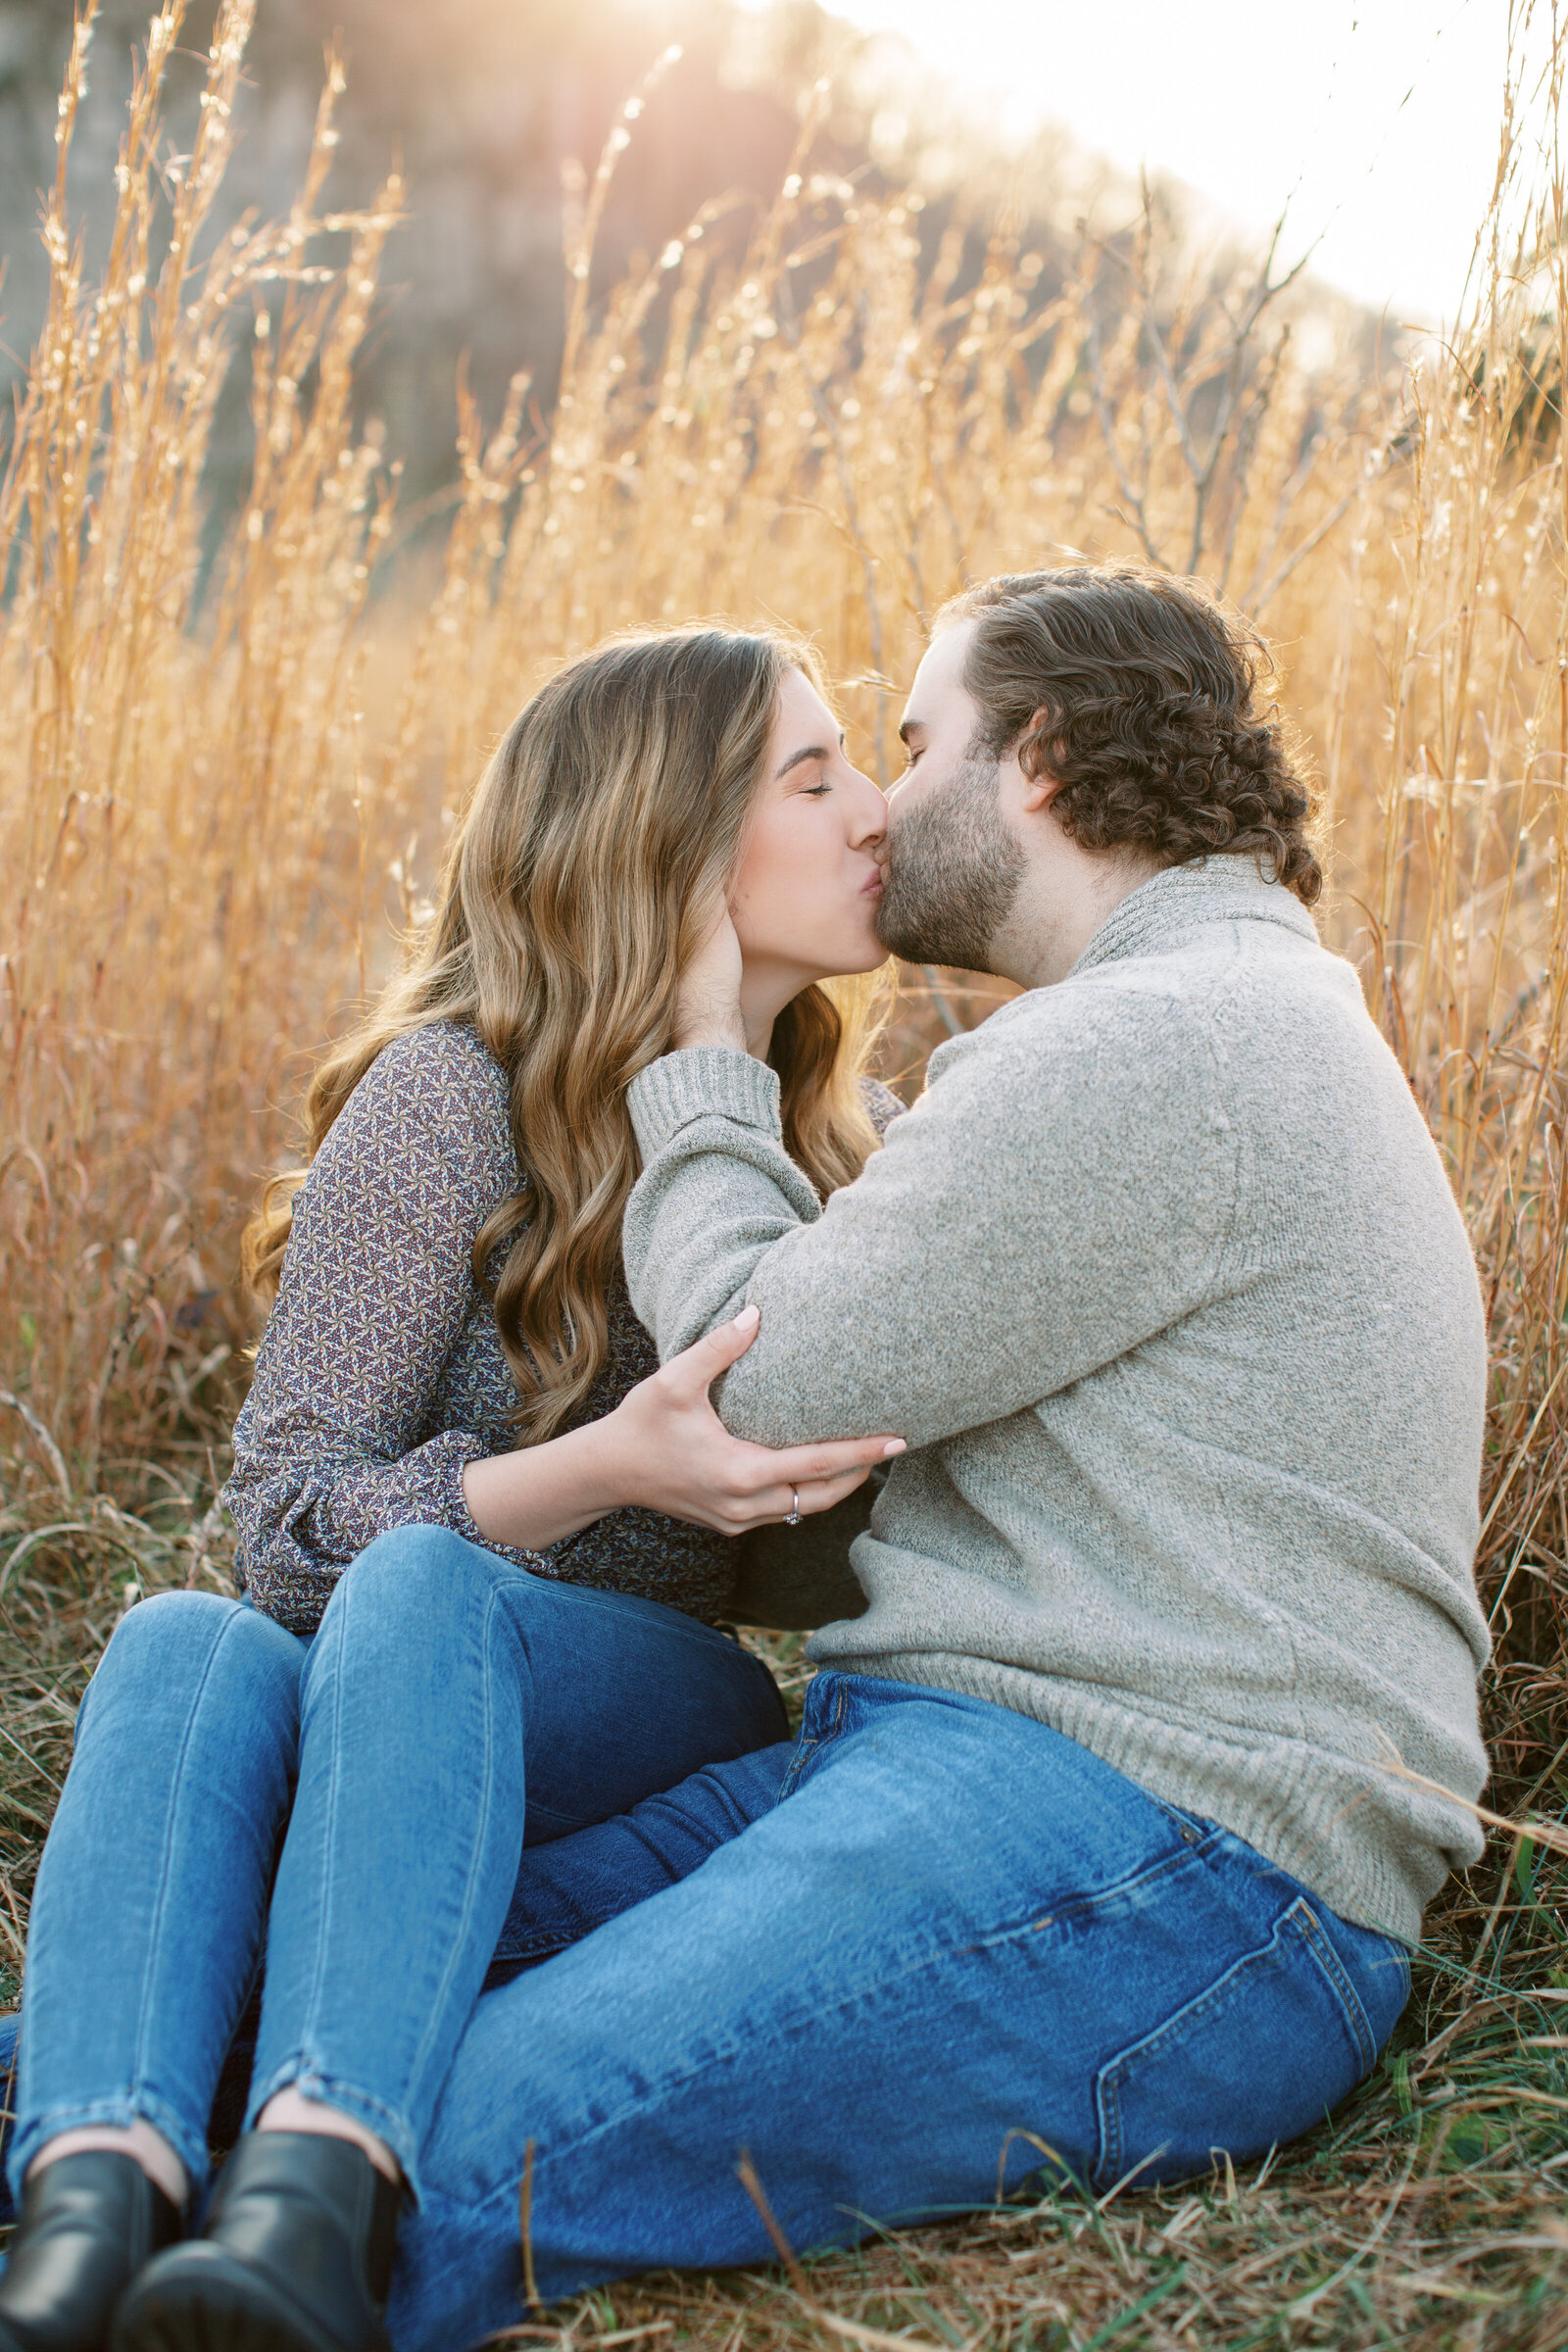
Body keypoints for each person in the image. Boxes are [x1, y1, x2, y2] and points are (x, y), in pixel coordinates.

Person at [246, 563, 1484, 2352]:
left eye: (911, 744)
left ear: (1040, 760)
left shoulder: (1153, 1041)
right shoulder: (1196, 1015)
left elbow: (760, 1390)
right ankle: (84, 2152)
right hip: (974, 1769)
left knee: (422, 2142)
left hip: (1178, 1850)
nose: (883, 806)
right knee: (331, 2013)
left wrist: (692, 1058)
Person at [0, 627, 908, 2352]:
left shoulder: (824, 1139)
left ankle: (314, 2194)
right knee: (189, 1638)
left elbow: (846, 1548)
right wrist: (603, 1467)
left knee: (419, 1592)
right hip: (381, 1684)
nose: (877, 814)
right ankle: (85, 2211)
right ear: (670, 845)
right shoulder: (448, 1099)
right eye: (818, 776)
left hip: (640, 1703)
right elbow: (276, 1532)